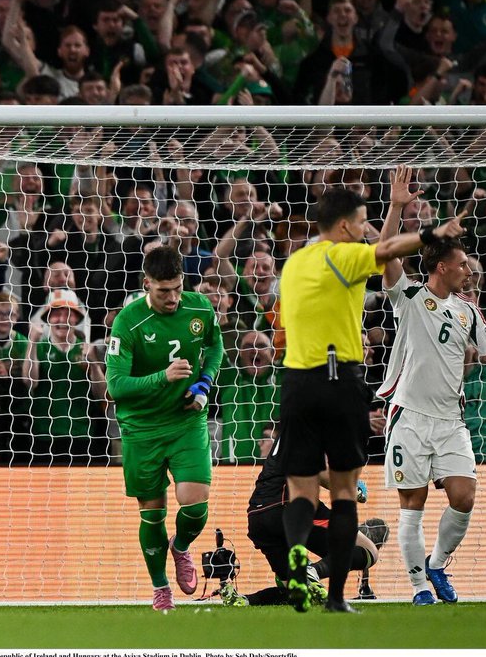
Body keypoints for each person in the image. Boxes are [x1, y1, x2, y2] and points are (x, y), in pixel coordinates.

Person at [276, 170, 468, 613]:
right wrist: (434, 232)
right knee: (344, 492)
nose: (366, 230)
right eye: (363, 222)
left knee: (301, 490)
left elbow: (380, 250)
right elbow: (387, 252)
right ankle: (336, 597)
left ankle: (297, 555)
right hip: (338, 379)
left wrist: (395, 206)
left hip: (296, 382)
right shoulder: (342, 256)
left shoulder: (295, 264)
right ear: (344, 226)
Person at [376, 169, 486, 605]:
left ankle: (438, 564)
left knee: (464, 496)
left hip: (449, 420)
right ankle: (418, 588)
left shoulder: (468, 311)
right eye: (463, 264)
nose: (469, 271)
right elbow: (385, 253)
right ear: (442, 267)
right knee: (413, 505)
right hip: (409, 416)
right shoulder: (408, 297)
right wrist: (396, 206)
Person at [104, 246, 223, 611]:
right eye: (163, 291)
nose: (172, 298)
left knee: (196, 504)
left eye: (177, 288)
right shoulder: (128, 322)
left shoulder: (200, 309)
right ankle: (161, 588)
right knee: (153, 513)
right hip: (142, 428)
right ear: (147, 284)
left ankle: (181, 546)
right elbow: (115, 386)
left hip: (186, 421)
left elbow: (215, 346)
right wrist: (163, 376)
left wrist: (204, 383)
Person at [227, 431, 379, 607]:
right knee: (368, 551)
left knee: (296, 589)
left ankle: (246, 600)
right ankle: (312, 570)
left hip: (258, 517)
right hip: (290, 506)